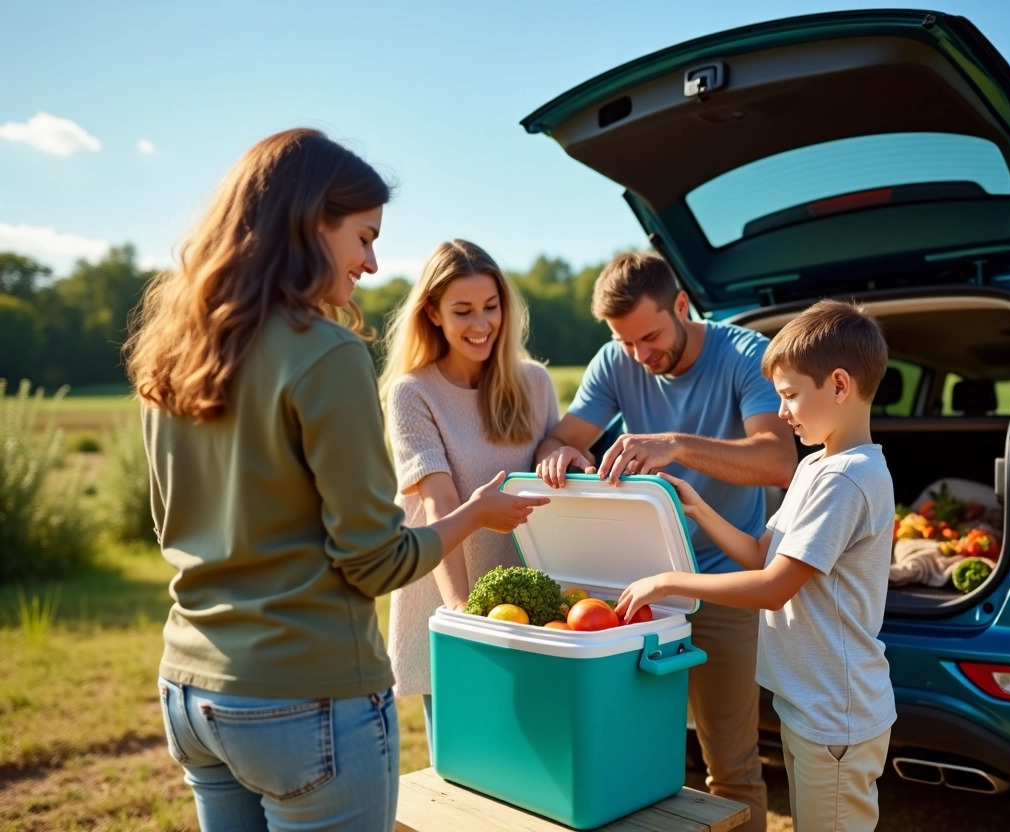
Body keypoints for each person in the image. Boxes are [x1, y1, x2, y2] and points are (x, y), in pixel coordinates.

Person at [124, 128, 547, 832]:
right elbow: (377, 560)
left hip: (191, 689)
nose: (372, 263)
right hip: (305, 699)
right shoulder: (326, 354)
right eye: (364, 236)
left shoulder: (176, 345)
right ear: (312, 222)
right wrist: (475, 514)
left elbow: (171, 526)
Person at [535, 250, 796, 831]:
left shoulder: (745, 355)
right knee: (623, 761)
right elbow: (561, 437)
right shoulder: (616, 362)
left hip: (724, 585)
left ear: (682, 305)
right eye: (626, 342)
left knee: (730, 768)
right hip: (638, 587)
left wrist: (676, 443)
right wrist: (562, 455)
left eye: (649, 337)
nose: (639, 356)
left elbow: (780, 460)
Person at [616, 299, 896, 832]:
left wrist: (668, 581)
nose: (783, 412)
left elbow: (773, 588)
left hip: (837, 712)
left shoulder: (848, 479)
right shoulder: (817, 465)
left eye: (790, 395)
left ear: (840, 385)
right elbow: (762, 552)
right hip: (810, 704)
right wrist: (698, 507)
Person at [378, 239, 559, 757]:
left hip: (530, 601)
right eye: (463, 311)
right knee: (466, 769)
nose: (481, 324)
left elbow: (551, 454)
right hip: (445, 595)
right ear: (433, 313)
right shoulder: (412, 392)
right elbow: (439, 505)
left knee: (533, 763)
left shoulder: (535, 382)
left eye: (491, 307)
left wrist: (559, 448)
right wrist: (460, 612)